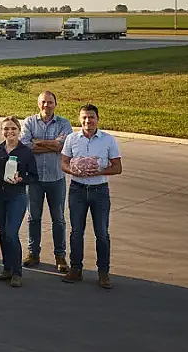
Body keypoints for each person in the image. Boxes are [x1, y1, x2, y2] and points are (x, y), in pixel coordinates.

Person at [61, 104, 122, 290]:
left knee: (102, 233)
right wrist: (74, 169)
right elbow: (63, 162)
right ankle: (76, 269)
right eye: (85, 117)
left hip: (99, 191)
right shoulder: (72, 139)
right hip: (77, 190)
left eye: (92, 117)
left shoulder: (108, 140)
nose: (88, 121)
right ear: (80, 119)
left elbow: (117, 167)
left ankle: (103, 273)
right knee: (76, 231)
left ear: (97, 119)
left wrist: (99, 170)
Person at [21, 91, 73, 273]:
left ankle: (60, 255)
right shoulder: (29, 122)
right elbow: (26, 147)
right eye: (43, 102)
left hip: (56, 178)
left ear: (55, 104)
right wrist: (51, 145)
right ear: (38, 104)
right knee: (33, 217)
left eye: (50, 102)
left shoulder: (64, 123)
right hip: (34, 179)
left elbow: (62, 146)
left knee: (58, 219)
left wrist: (38, 142)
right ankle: (33, 253)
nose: (46, 105)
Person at [0, 116, 38, 287]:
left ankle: (17, 272)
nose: (10, 132)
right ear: (2, 131)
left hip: (16, 195)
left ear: (19, 131)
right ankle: (7, 268)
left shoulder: (25, 152)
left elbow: (33, 176)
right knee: (3, 233)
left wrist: (20, 179)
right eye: (6, 129)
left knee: (11, 232)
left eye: (13, 128)